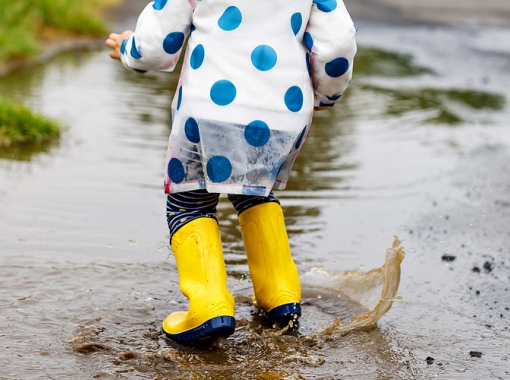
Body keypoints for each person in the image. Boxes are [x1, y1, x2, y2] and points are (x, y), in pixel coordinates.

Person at [106, 0, 357, 345]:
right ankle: (281, 299)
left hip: (210, 105)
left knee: (190, 203)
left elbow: (157, 43)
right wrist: (327, 94)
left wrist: (128, 49)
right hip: (282, 109)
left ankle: (208, 307)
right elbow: (338, 43)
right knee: (256, 194)